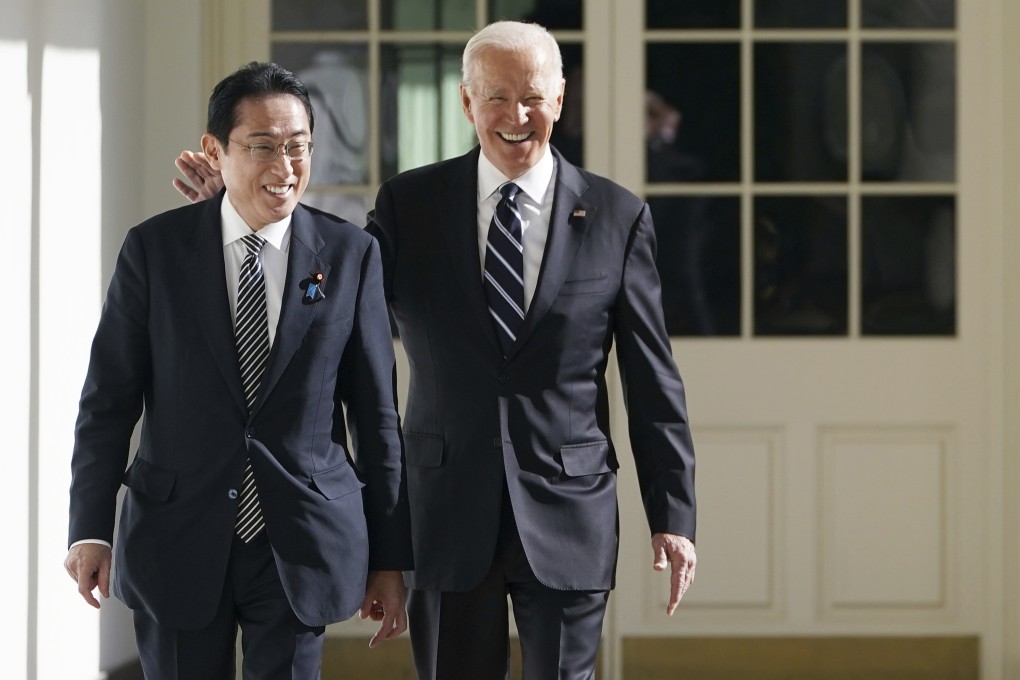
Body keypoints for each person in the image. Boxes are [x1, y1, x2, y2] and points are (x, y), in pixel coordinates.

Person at [174, 21, 697, 680]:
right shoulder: (411, 204)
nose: (517, 116)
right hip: (444, 510)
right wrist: (237, 210)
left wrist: (672, 515)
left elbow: (654, 382)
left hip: (570, 512)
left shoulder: (618, 217)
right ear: (466, 102)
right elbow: (324, 287)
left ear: (560, 100)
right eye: (497, 98)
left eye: (533, 97)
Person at [66, 61, 412, 680]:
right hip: (175, 534)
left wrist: (390, 557)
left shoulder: (352, 255)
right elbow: (108, 399)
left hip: (300, 541)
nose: (285, 169)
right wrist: (88, 527)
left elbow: (376, 418)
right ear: (214, 150)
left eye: (298, 148)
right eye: (262, 148)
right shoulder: (155, 250)